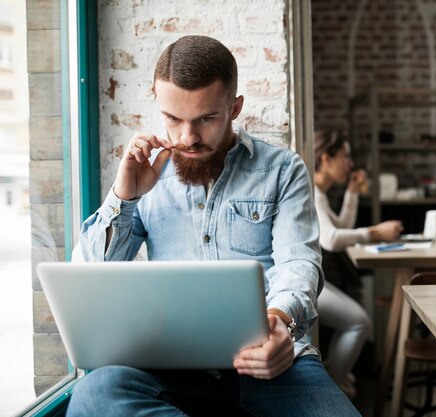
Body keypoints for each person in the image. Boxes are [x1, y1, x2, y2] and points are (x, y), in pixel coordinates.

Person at [67, 35, 361, 417]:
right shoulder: (145, 175)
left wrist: (280, 323)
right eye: (173, 119)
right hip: (173, 365)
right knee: (93, 395)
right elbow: (87, 280)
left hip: (273, 361)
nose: (188, 137)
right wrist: (124, 198)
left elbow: (299, 264)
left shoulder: (283, 170)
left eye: (206, 118)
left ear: (234, 107)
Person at [313, 130, 403, 398]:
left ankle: (334, 380)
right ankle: (330, 390)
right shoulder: (312, 191)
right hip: (303, 280)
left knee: (358, 321)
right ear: (326, 158)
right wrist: (374, 232)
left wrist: (352, 194)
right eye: (346, 157)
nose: (351, 164)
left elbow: (339, 227)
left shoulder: (319, 193)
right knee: (359, 322)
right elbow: (331, 239)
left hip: (314, 278)